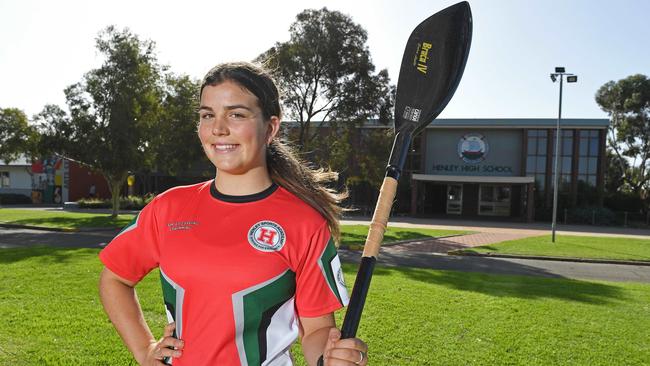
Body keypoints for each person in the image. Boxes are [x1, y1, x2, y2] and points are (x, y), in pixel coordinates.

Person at [98, 62, 369, 366]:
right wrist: (145, 350)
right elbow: (115, 279)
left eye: (236, 114)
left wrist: (330, 358)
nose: (218, 128)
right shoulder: (168, 208)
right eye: (207, 115)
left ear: (271, 128)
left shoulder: (304, 223)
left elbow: (317, 329)